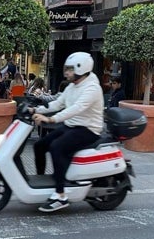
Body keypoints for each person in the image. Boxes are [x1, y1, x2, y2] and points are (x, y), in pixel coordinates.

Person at [31, 52, 104, 212]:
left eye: (70, 70)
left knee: (57, 147)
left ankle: (60, 195)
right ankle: (42, 180)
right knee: (39, 146)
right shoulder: (72, 86)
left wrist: (51, 119)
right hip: (72, 126)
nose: (66, 73)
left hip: (88, 129)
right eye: (66, 69)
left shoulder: (92, 88)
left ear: (80, 68)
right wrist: (35, 109)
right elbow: (58, 103)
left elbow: (76, 109)